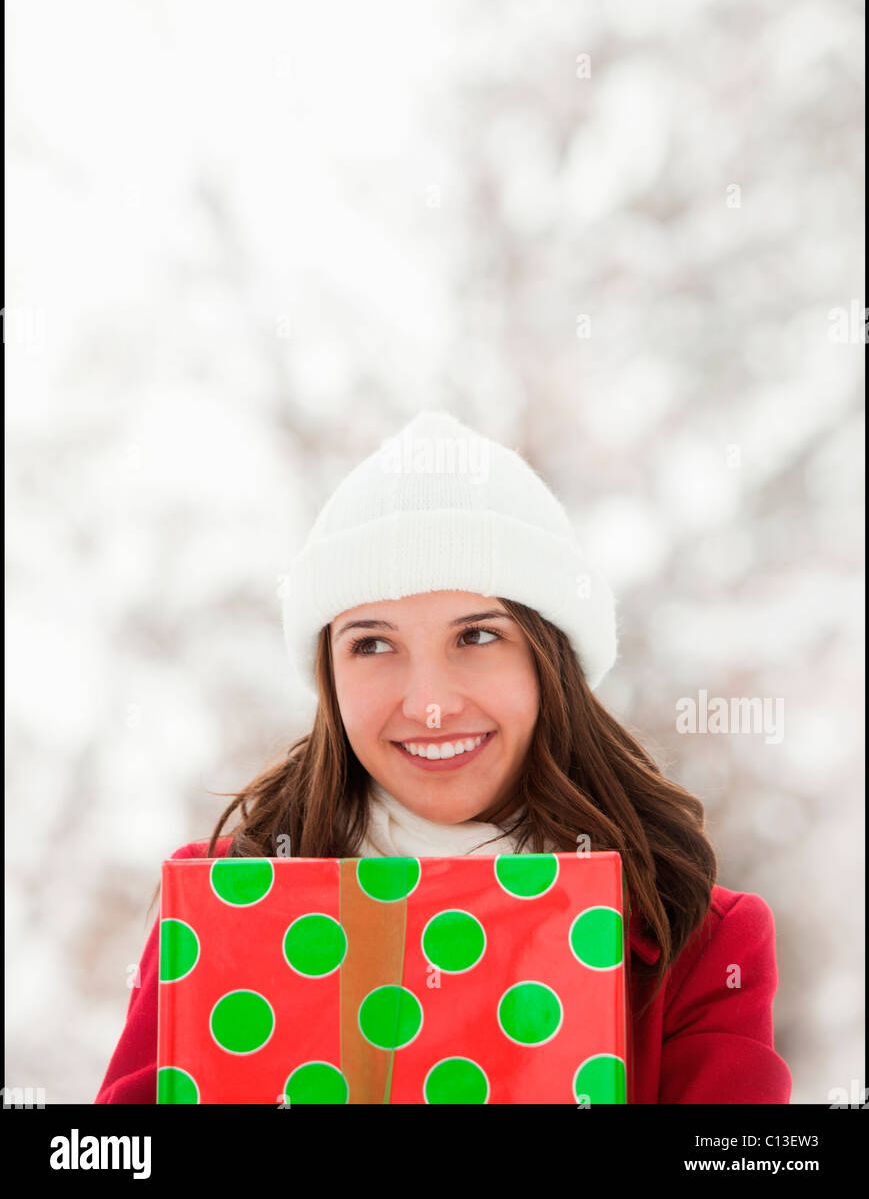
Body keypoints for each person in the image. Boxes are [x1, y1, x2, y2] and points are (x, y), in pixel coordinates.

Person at [95, 409, 792, 1104]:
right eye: (372, 644)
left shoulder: (695, 943)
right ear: (329, 677)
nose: (429, 703)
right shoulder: (221, 910)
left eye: (477, 637)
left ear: (550, 662)